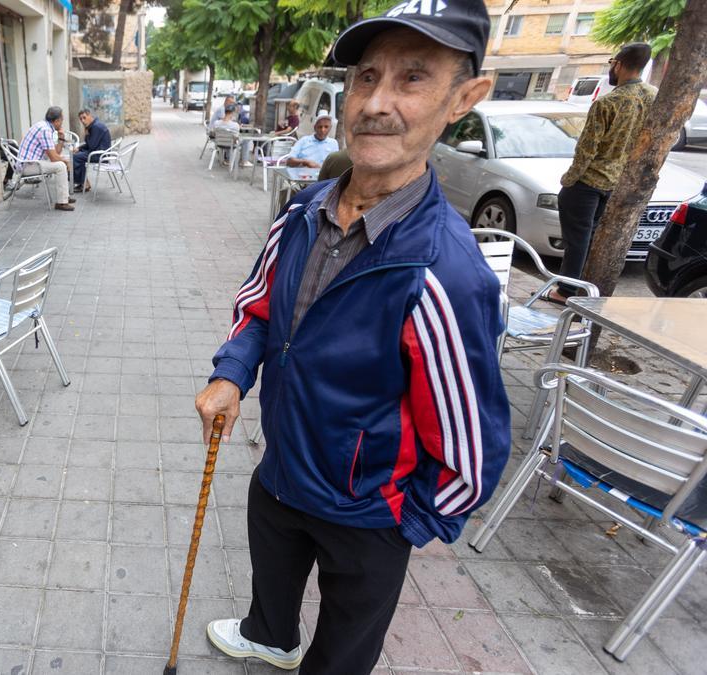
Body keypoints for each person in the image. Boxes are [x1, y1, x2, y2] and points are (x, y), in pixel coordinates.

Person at [194, 2, 511, 673]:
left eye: (413, 79)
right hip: (281, 472)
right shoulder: (303, 211)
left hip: (367, 514)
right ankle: (270, 635)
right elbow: (258, 309)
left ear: (464, 98)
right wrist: (230, 374)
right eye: (368, 77)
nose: (378, 103)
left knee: (341, 653)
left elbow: (470, 447)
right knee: (270, 584)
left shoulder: (444, 272)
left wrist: (405, 520)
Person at [549, 42, 655, 304]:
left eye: (612, 64)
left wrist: (569, 181)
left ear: (618, 64)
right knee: (592, 240)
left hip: (589, 181)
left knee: (577, 241)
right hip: (619, 183)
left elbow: (586, 150)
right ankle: (584, 288)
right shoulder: (652, 97)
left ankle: (566, 291)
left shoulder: (608, 102)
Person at [17, 106, 76, 211]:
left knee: (61, 162)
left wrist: (61, 138)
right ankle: (62, 203)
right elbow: (54, 157)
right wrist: (66, 162)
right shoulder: (45, 130)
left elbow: (55, 153)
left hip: (33, 163)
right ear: (57, 120)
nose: (62, 122)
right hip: (29, 166)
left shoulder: (45, 127)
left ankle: (64, 197)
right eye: (62, 120)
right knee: (61, 166)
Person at [73, 109, 112, 193]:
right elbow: (90, 145)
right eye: (81, 119)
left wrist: (86, 134)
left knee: (76, 157)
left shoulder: (96, 127)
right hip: (98, 152)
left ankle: (83, 184)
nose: (83, 121)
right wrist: (79, 148)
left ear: (90, 116)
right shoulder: (94, 125)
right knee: (78, 155)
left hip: (101, 155)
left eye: (84, 118)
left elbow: (91, 146)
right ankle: (84, 183)